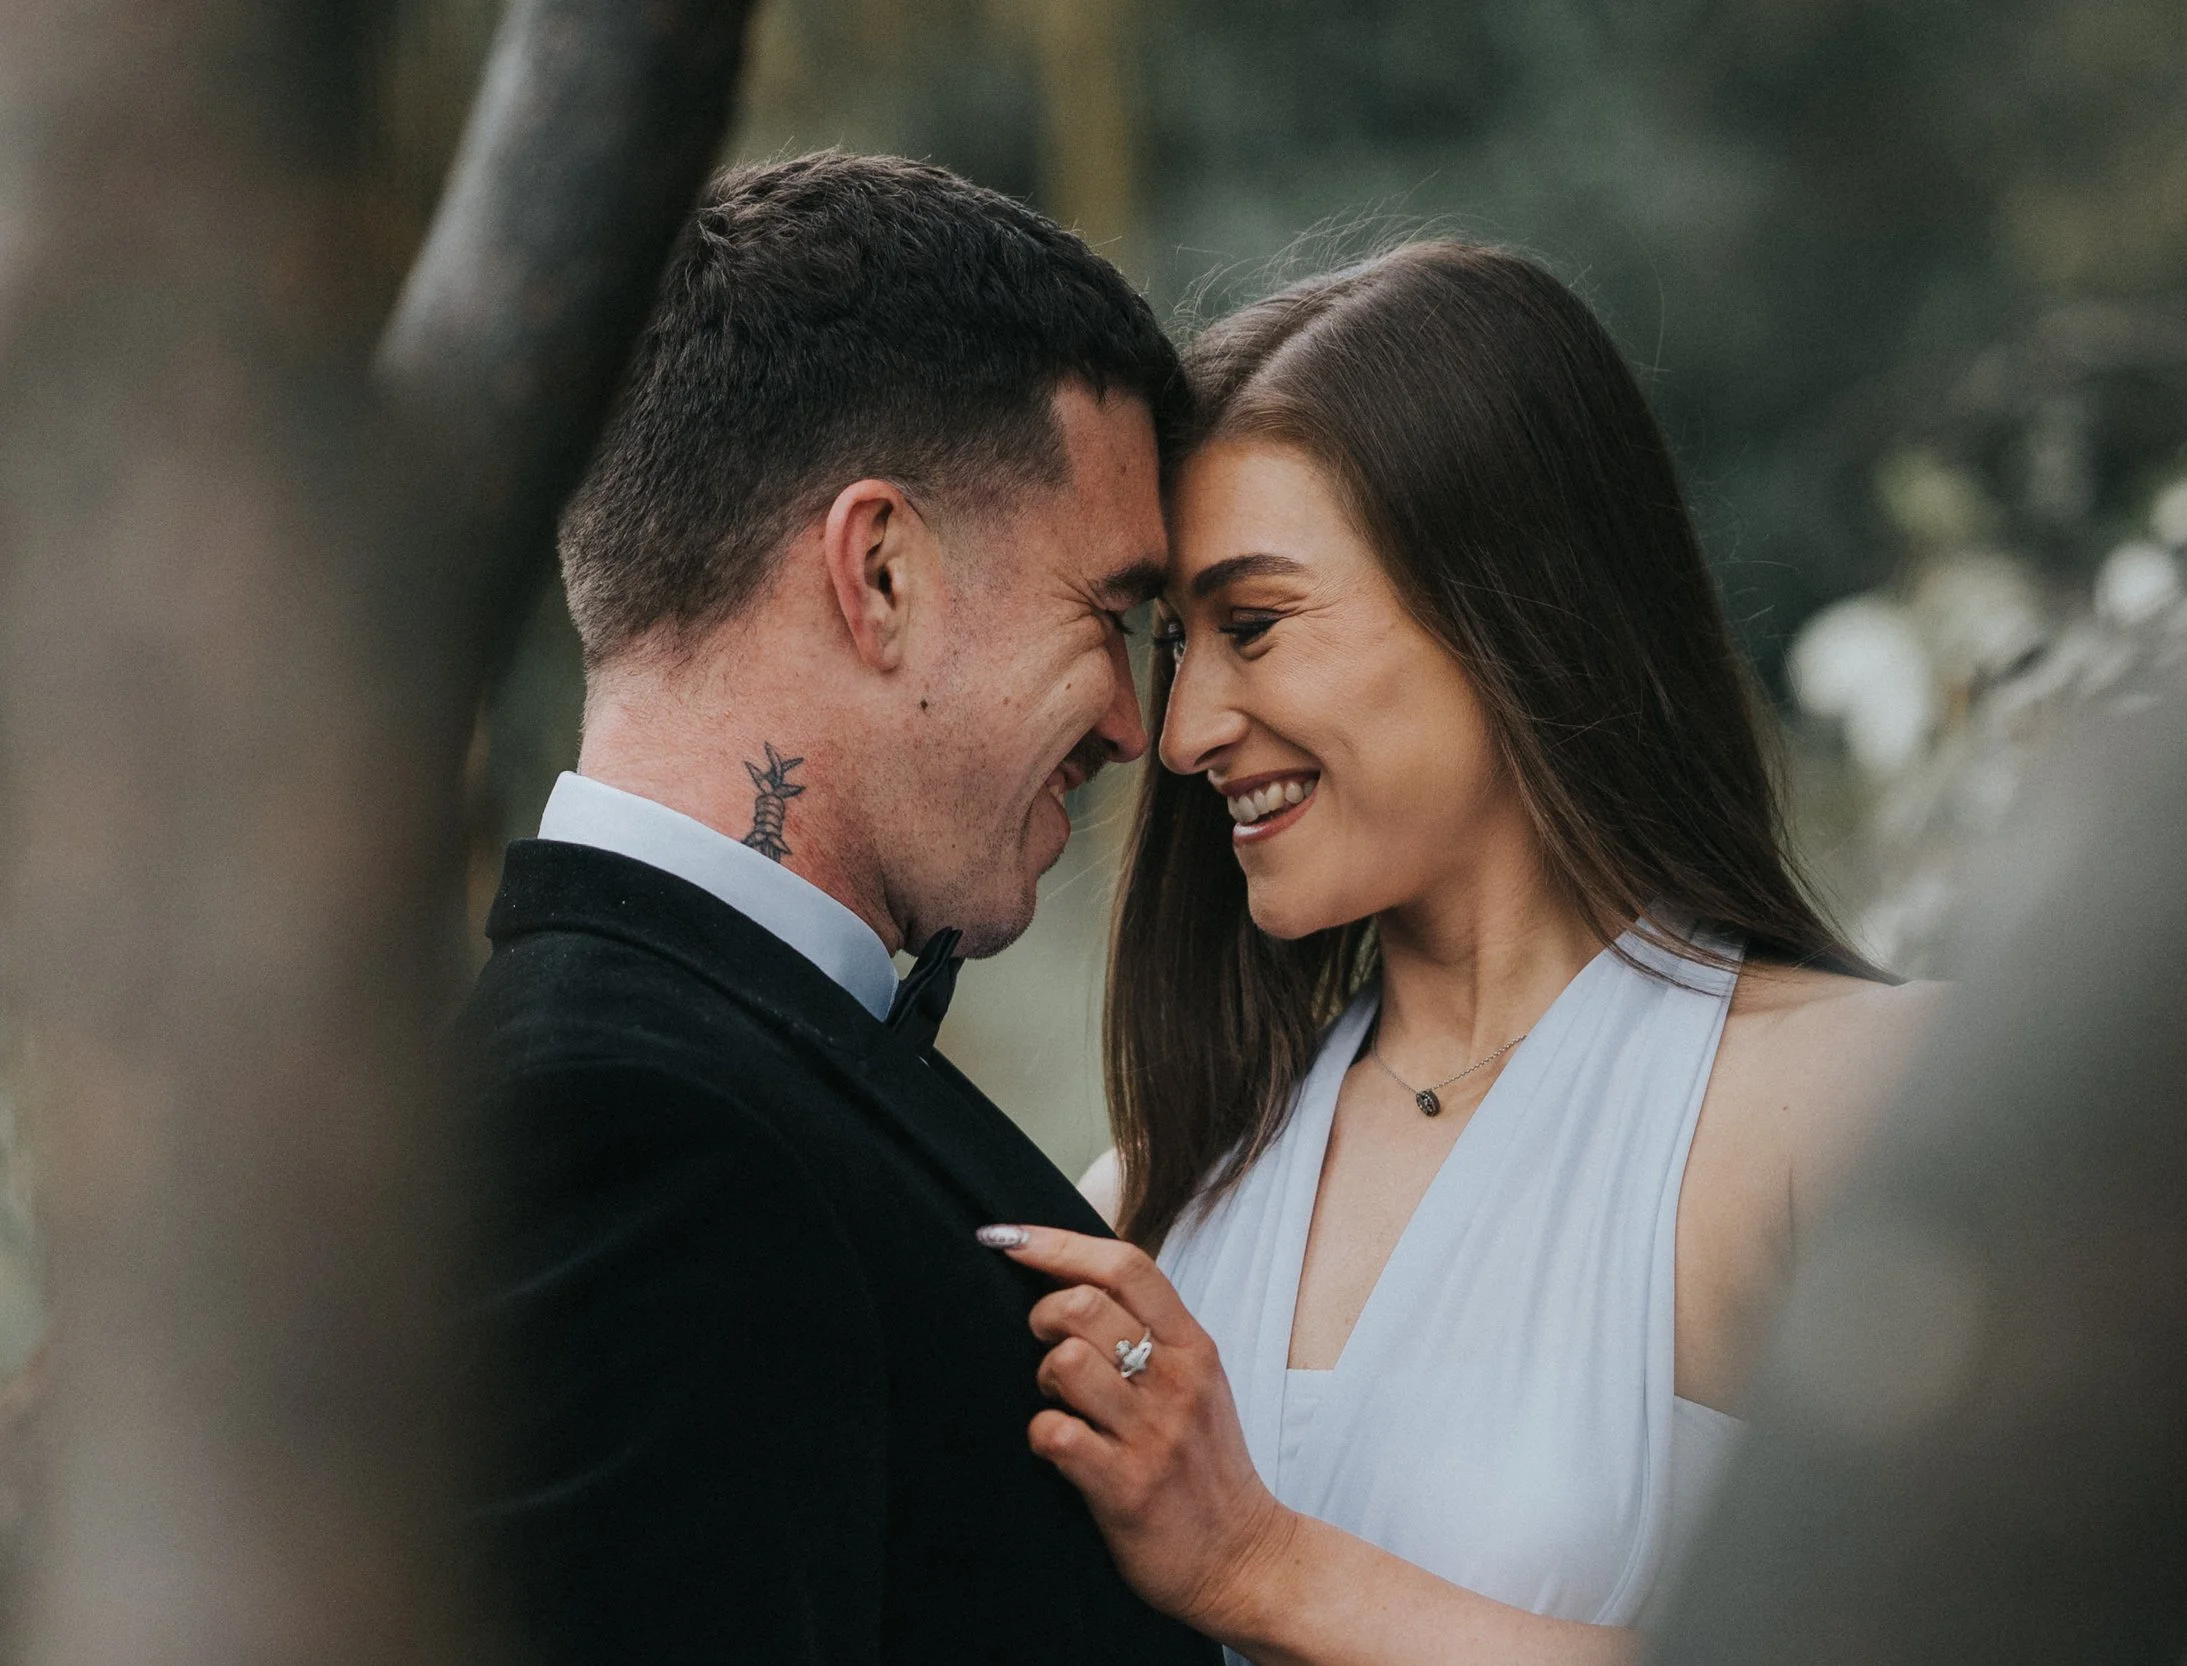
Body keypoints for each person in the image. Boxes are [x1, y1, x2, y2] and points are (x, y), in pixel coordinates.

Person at [980, 241, 1943, 1664]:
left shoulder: (1839, 1105)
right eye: (1176, 644)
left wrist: (1263, 1565)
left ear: (1511, 603)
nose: (1181, 736)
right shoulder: (1152, 1207)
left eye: (1253, 624)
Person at [457, 151, 1217, 1666]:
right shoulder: (641, 1132)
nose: (1141, 725)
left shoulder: (687, 1068)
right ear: (879, 572)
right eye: (1111, 615)